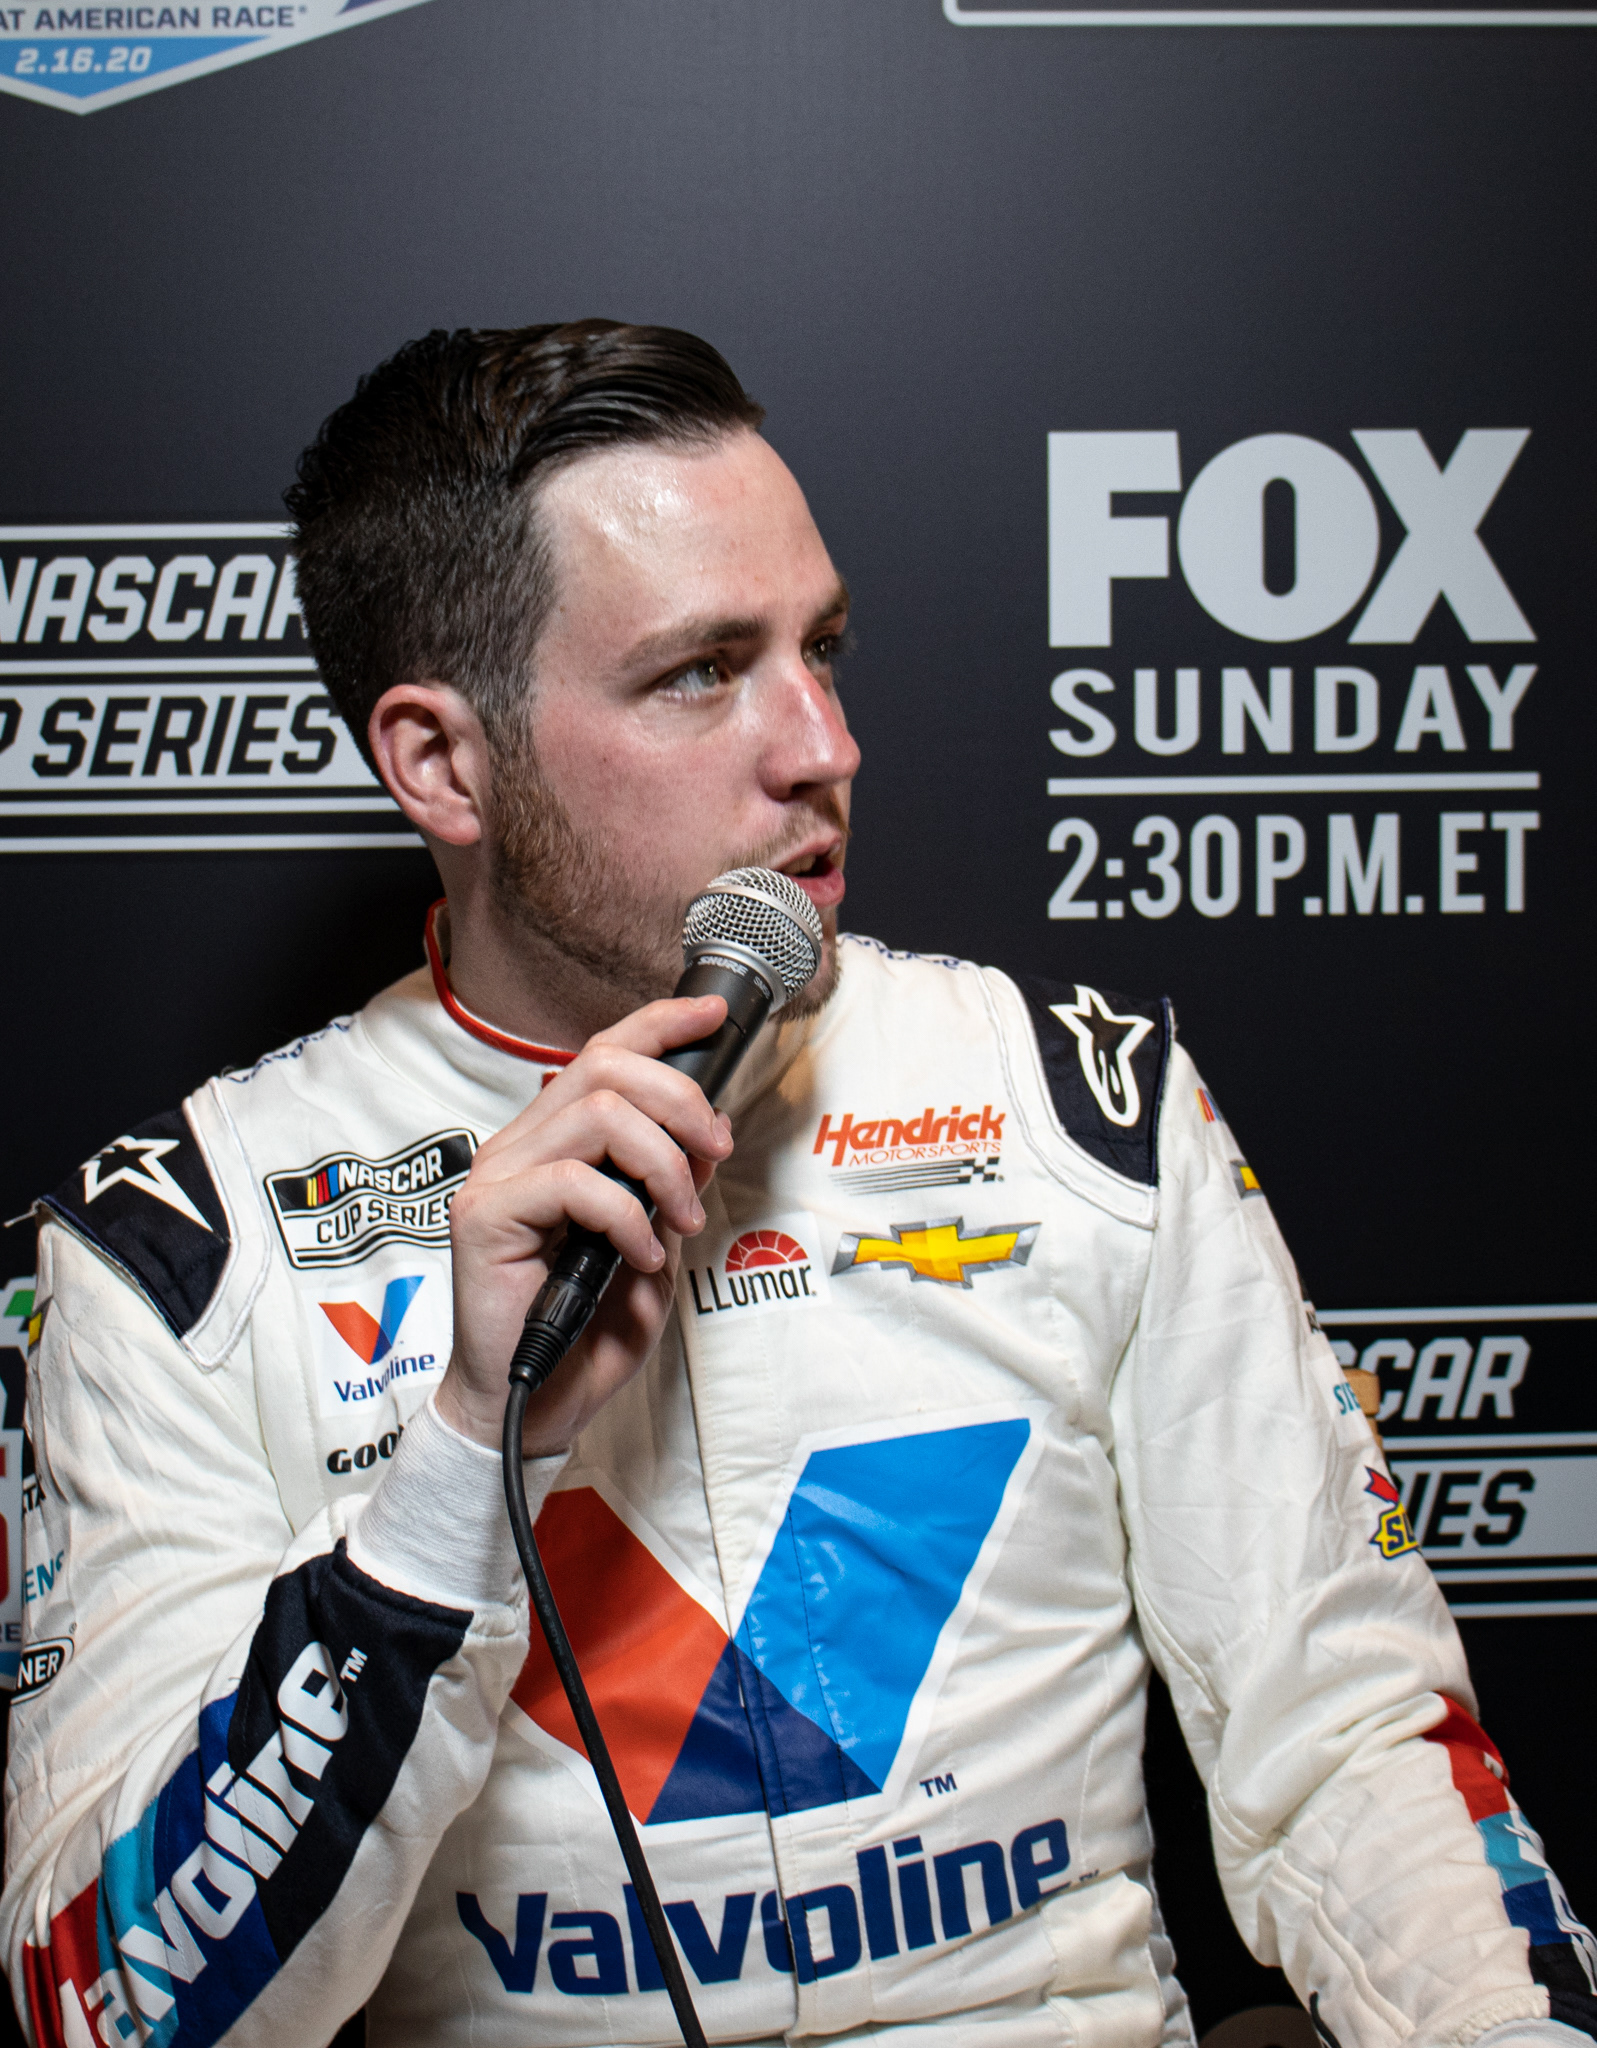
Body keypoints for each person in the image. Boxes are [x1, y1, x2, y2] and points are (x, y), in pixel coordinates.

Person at [4, 321, 1592, 2048]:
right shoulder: (179, 1252)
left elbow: (1351, 1747)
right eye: (700, 673)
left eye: (819, 649)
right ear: (442, 764)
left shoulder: (1079, 1107)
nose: (821, 743)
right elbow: (118, 2007)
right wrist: (459, 1458)